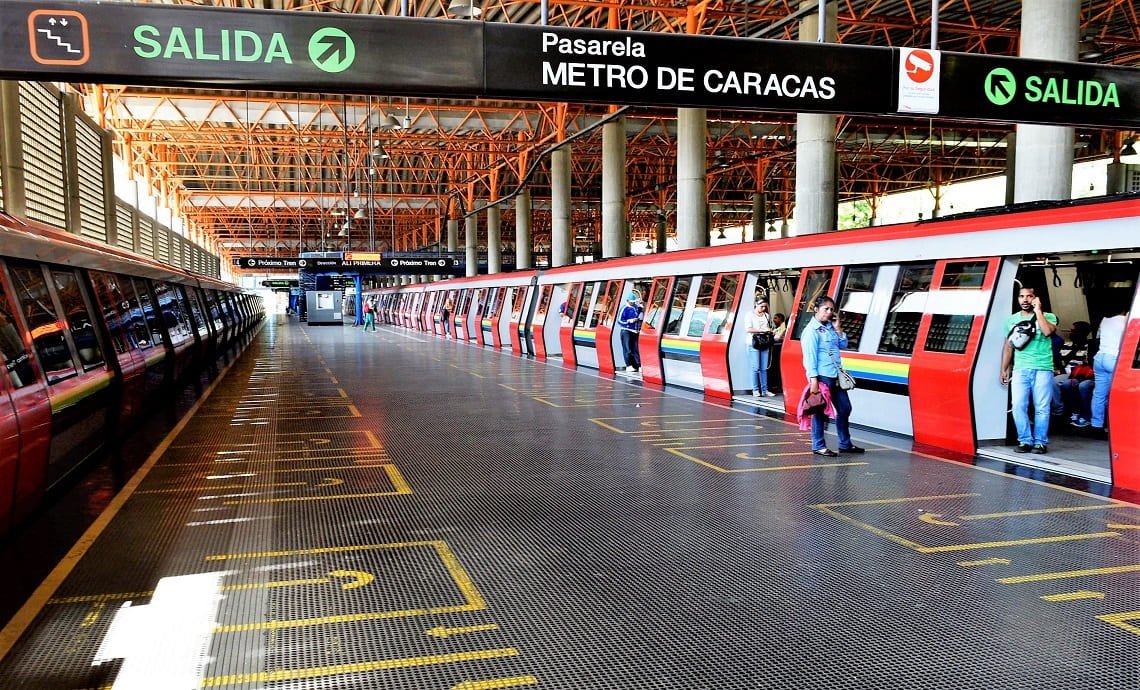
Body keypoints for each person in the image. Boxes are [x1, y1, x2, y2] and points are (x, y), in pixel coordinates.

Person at [801, 296, 862, 457]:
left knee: (845, 408)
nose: (829, 312)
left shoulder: (830, 327)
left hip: (836, 376)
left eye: (831, 309)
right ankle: (818, 445)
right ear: (816, 309)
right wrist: (813, 380)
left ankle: (844, 444)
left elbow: (843, 344)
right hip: (822, 377)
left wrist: (838, 327)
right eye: (825, 309)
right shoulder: (810, 332)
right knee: (819, 411)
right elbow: (809, 358)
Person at [1000, 286, 1058, 454]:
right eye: (1021, 296)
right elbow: (1008, 347)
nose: (1025, 299)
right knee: (1018, 405)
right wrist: (1003, 369)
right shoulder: (1011, 320)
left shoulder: (1049, 317)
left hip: (1043, 367)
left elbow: (1047, 332)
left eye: (1029, 296)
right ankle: (1025, 440)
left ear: (1035, 298)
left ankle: (1040, 442)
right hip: (1020, 368)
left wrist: (1038, 310)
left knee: (1042, 407)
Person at [1091, 305, 1128, 434]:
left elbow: (1097, 339)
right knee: (1120, 393)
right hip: (1113, 358)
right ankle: (1120, 424)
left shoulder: (1104, 320)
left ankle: (1097, 426)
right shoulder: (1126, 319)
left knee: (1099, 395)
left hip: (1100, 358)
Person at [744, 300, 776, 397]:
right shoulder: (749, 315)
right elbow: (748, 329)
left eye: (765, 306)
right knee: (755, 368)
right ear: (756, 304)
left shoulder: (766, 315)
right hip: (753, 343)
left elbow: (768, 327)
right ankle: (755, 390)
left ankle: (765, 390)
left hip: (764, 343)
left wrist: (770, 331)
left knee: (764, 368)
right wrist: (761, 330)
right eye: (761, 306)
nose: (763, 308)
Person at [617, 291, 643, 372]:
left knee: (636, 349)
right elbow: (619, 320)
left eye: (633, 302)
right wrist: (629, 321)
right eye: (631, 302)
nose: (633, 303)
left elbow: (638, 313)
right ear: (628, 301)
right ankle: (629, 365)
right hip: (626, 331)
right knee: (627, 349)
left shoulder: (635, 307)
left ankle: (639, 365)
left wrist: (641, 307)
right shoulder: (624, 308)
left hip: (635, 331)